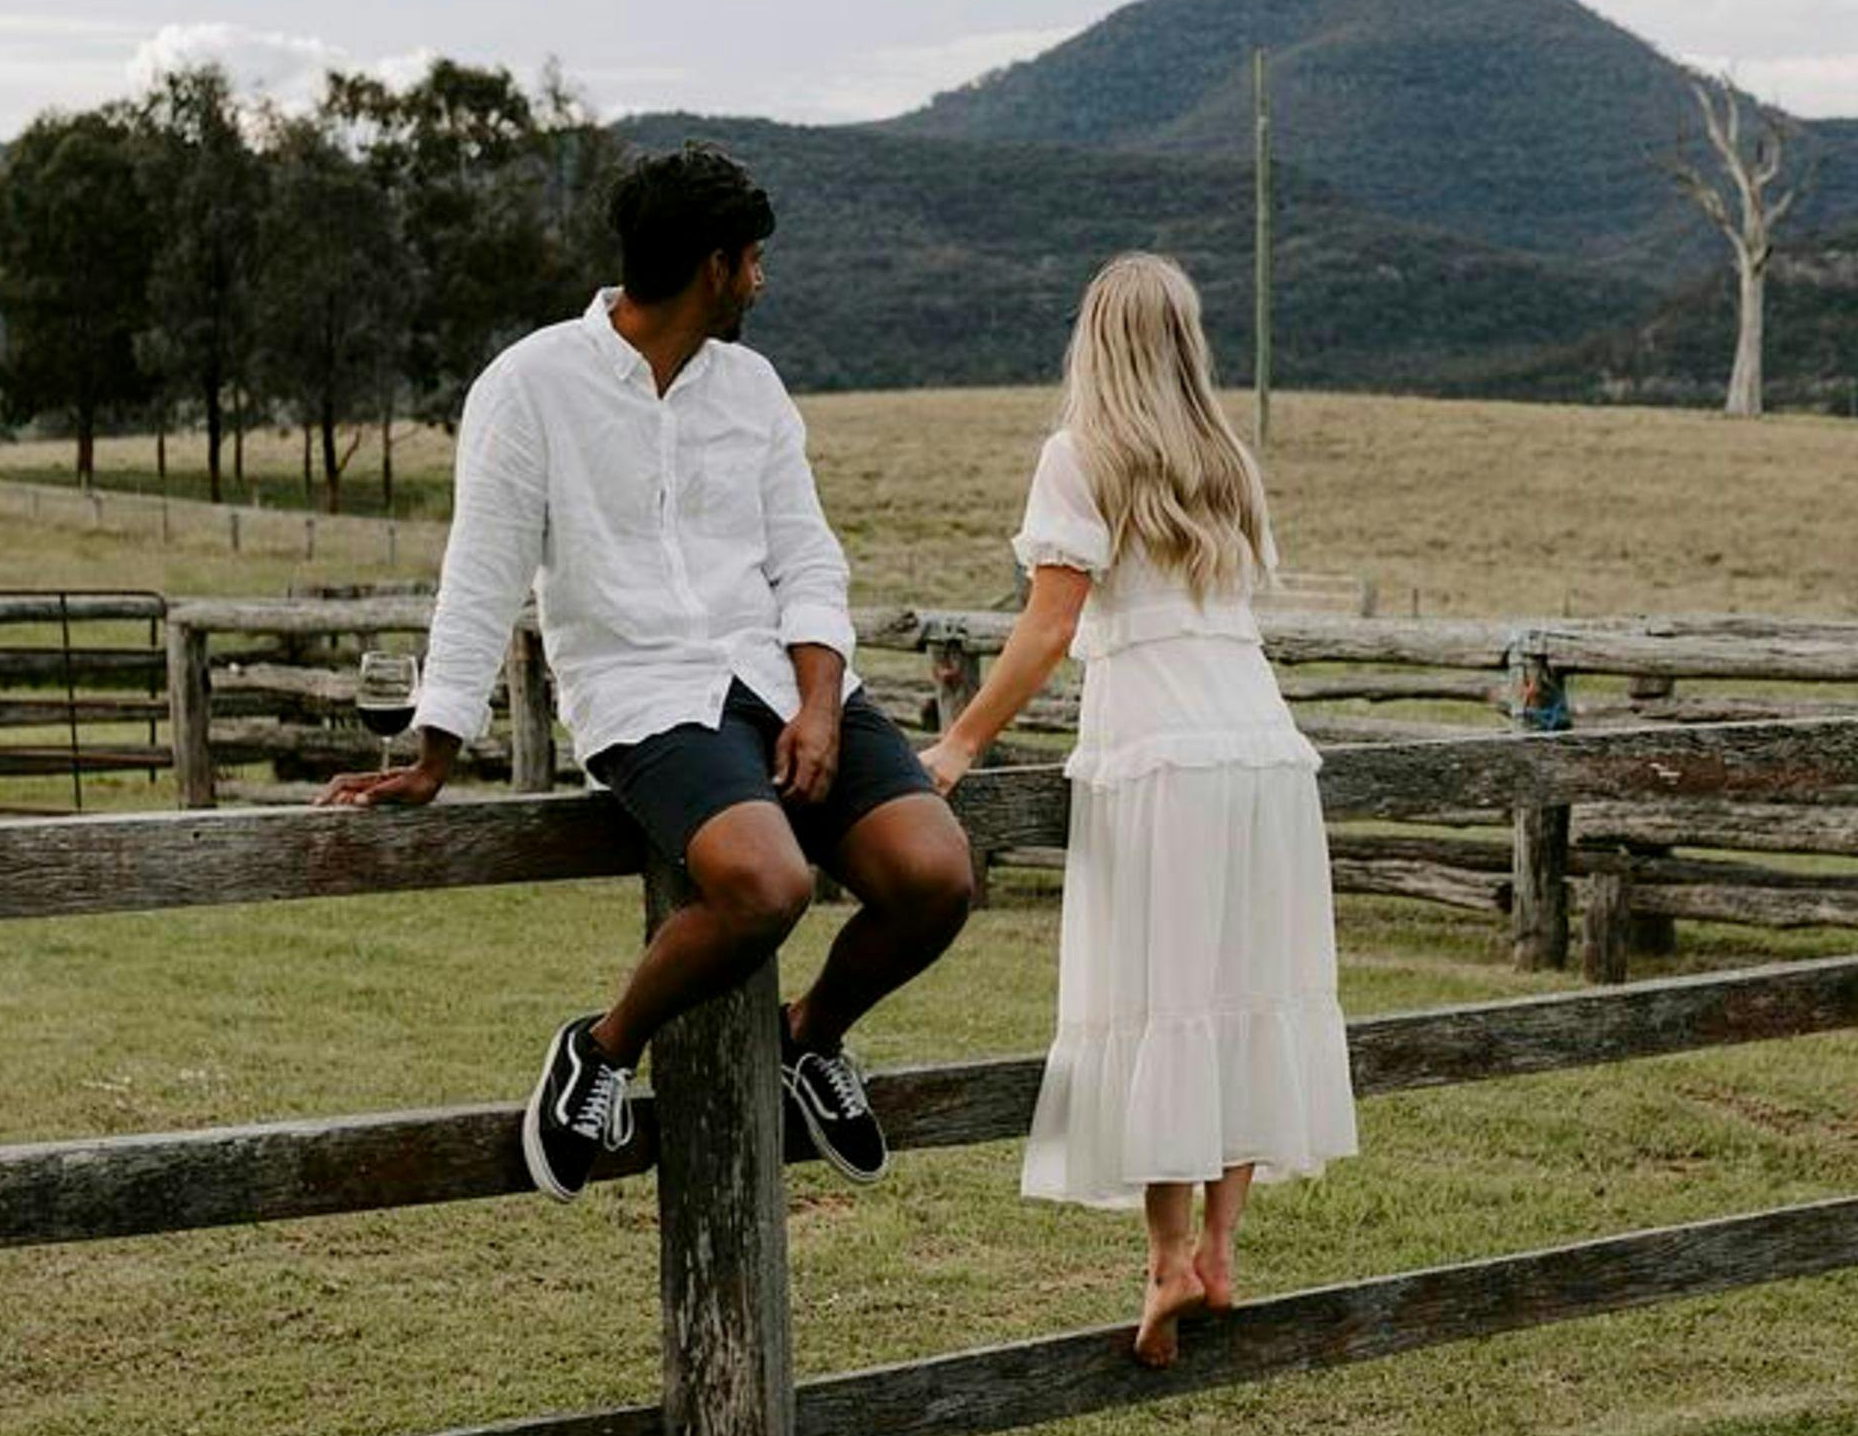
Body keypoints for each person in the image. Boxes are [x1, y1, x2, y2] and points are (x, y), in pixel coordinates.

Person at [325, 143, 976, 1201]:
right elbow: (481, 572)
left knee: (937, 875)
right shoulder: (530, 385)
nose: (762, 281)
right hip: (642, 692)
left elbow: (807, 558)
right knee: (766, 883)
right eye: (754, 261)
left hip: (779, 675)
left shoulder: (753, 387)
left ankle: (808, 1039)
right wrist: (434, 750)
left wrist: (818, 702)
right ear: (715, 267)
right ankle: (602, 1049)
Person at [922, 253, 1354, 1367]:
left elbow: (1050, 627)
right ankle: (1219, 1241)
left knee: (1167, 996)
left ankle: (1167, 1256)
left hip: (1159, 755)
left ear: (1095, 341)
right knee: (1246, 988)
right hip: (1261, 753)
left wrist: (963, 740)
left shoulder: (1080, 457)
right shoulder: (1228, 460)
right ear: (1186, 340)